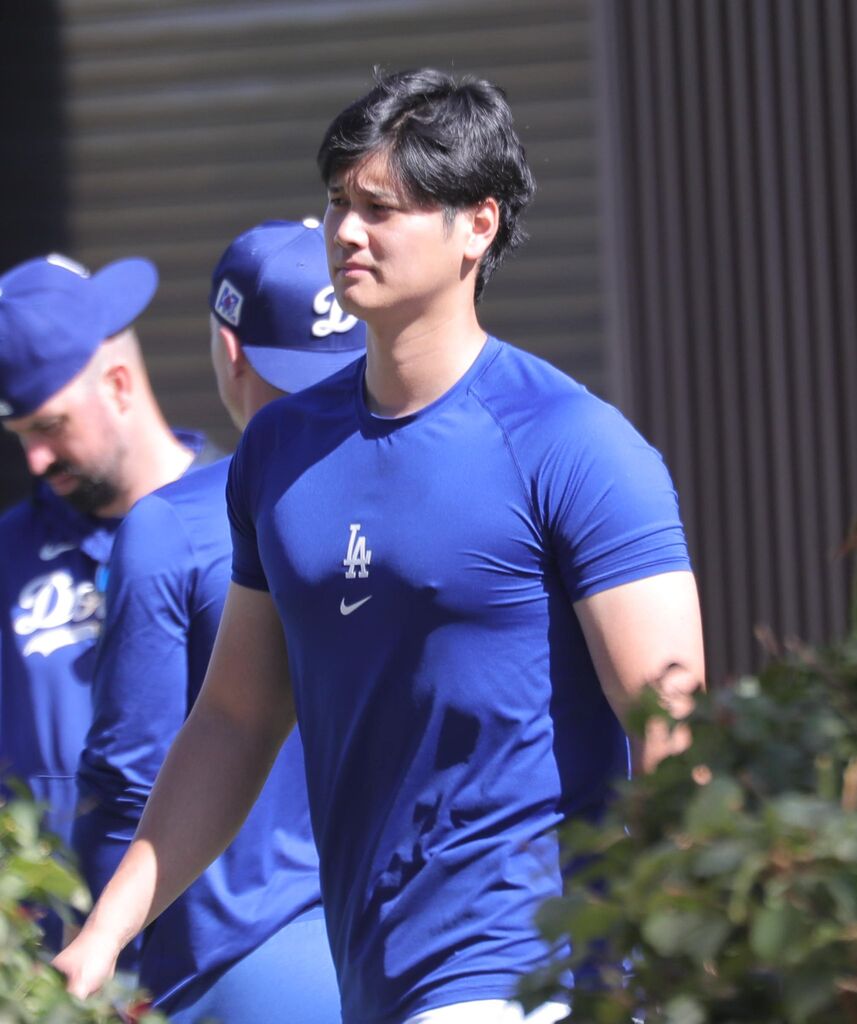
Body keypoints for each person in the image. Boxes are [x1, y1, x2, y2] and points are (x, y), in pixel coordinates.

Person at [56, 68, 705, 1024]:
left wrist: (682, 959)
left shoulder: (575, 445)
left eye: (380, 208)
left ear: (477, 225)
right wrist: (105, 935)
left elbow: (669, 720)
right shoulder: (279, 451)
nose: (346, 232)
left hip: (537, 972)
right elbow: (235, 718)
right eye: (337, 202)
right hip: (370, 975)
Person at [73, 218, 365, 1021]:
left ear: (230, 351)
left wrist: (99, 953)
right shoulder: (436, 493)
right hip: (422, 951)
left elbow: (130, 778)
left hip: (230, 972)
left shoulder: (175, 528)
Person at [0, 253, 219, 949]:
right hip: (56, 964)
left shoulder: (236, 521)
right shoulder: (9, 555)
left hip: (219, 948)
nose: (36, 460)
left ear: (118, 385)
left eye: (50, 426)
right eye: (20, 436)